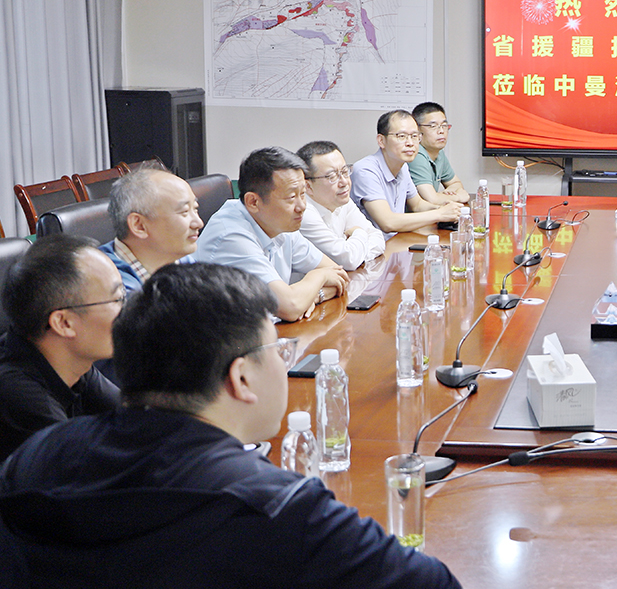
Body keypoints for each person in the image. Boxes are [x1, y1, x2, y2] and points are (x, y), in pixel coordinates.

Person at [0, 263, 461, 588]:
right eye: (277, 351)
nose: (284, 363)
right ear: (240, 378)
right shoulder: (282, 508)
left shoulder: (34, 457)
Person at [0, 235, 122, 461]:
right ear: (64, 323)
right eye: (117, 300)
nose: (127, 311)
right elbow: (88, 469)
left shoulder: (69, 360)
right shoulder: (20, 398)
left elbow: (135, 417)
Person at [194, 147, 349, 322]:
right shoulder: (230, 236)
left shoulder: (281, 222)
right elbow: (291, 307)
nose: (302, 206)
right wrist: (317, 277)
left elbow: (338, 275)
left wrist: (311, 297)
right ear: (253, 202)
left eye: (303, 194)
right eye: (291, 197)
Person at [351, 109, 462, 234]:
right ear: (381, 140)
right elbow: (387, 222)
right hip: (374, 244)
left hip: (397, 241)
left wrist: (443, 208)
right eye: (401, 136)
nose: (410, 143)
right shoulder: (365, 170)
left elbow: (417, 204)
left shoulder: (402, 166)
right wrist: (439, 214)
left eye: (414, 136)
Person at [99, 162, 203, 291]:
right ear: (139, 225)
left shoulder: (181, 259)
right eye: (184, 212)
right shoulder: (106, 288)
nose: (199, 223)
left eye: (195, 209)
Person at [297, 140, 386, 270]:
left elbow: (378, 238)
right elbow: (348, 260)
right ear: (308, 186)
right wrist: (359, 233)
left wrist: (357, 254)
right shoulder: (303, 213)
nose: (344, 182)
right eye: (332, 176)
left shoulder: (343, 201)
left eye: (345, 172)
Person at [408, 102, 470, 205]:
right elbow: (432, 199)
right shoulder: (415, 155)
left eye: (444, 125)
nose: (441, 131)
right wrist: (458, 196)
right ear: (417, 130)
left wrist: (448, 193)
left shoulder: (438, 152)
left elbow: (455, 183)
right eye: (433, 126)